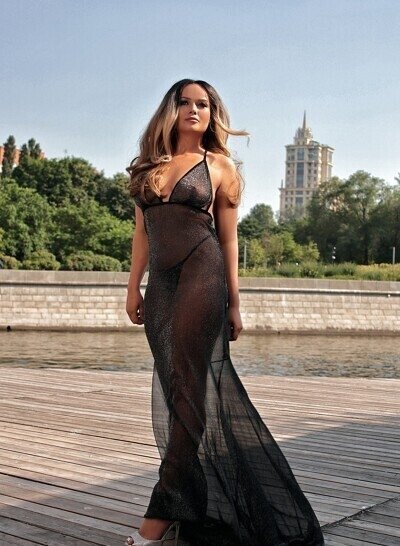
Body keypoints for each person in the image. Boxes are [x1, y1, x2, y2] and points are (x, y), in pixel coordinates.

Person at [124, 79, 325, 546]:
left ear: (212, 115)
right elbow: (141, 234)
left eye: (204, 105)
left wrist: (234, 301)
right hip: (161, 286)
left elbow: (229, 239)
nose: (194, 110)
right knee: (177, 388)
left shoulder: (218, 166)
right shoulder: (147, 168)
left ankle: (156, 520)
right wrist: (132, 286)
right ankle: (187, 502)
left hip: (203, 276)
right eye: (185, 103)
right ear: (170, 110)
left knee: (190, 392)